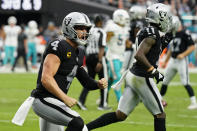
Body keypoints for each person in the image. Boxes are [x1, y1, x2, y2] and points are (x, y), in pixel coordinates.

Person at [86, 3, 173, 131]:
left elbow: (152, 53)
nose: (168, 20)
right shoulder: (152, 33)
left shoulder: (148, 31)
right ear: (159, 17)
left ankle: (84, 128)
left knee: (120, 115)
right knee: (160, 114)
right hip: (142, 76)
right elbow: (139, 55)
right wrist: (153, 71)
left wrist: (165, 41)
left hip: (134, 74)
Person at [31, 12, 108, 131]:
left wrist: (98, 84)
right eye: (80, 28)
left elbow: (85, 81)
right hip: (44, 99)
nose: (84, 32)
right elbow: (46, 78)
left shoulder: (79, 52)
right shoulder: (58, 45)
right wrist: (65, 98)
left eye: (86, 28)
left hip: (55, 103)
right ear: (69, 28)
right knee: (78, 123)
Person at [160, 16, 197, 110]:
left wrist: (183, 54)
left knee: (185, 82)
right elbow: (171, 50)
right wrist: (165, 61)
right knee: (165, 81)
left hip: (181, 61)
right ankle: (159, 100)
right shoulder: (172, 34)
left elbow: (192, 47)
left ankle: (194, 102)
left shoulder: (185, 33)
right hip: (173, 60)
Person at [77, 15, 109, 110]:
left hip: (88, 57)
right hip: (97, 57)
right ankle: (102, 104)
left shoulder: (89, 31)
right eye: (102, 21)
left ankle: (81, 100)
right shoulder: (101, 32)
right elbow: (102, 47)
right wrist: (99, 61)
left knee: (89, 80)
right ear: (99, 22)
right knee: (103, 80)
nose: (103, 23)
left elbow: (84, 44)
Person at [105, 9, 130, 102]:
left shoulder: (124, 28)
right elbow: (105, 41)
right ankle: (120, 100)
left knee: (111, 78)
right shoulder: (112, 27)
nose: (126, 20)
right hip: (112, 55)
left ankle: (103, 98)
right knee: (118, 77)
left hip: (120, 56)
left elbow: (125, 43)